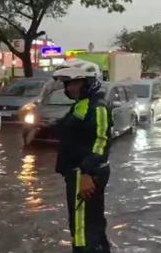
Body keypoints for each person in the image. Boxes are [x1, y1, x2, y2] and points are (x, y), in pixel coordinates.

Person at [53, 67, 112, 253]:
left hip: (85, 174)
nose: (70, 88)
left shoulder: (98, 106)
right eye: (68, 83)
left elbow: (101, 143)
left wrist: (87, 172)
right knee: (90, 225)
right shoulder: (81, 105)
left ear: (88, 83)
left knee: (82, 229)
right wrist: (38, 128)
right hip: (77, 173)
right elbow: (67, 127)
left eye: (75, 83)